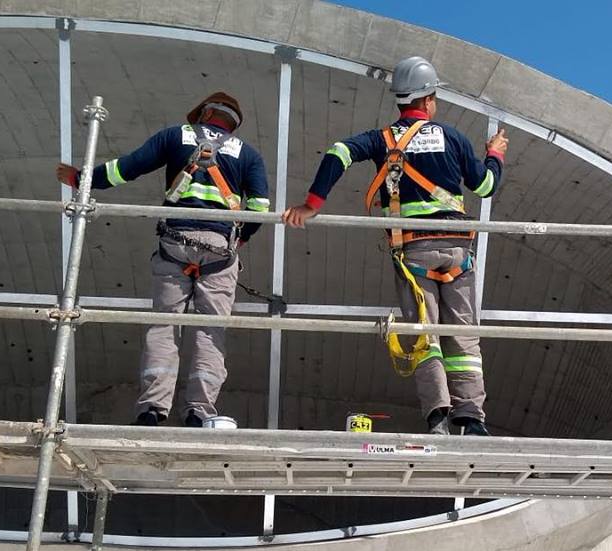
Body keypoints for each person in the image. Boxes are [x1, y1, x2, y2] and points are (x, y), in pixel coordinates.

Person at [283, 57, 508, 435]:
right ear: (430, 99)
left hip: (413, 250)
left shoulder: (382, 139)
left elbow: (339, 151)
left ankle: (438, 415)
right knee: (463, 335)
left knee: (426, 332)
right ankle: (470, 418)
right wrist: (496, 153)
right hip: (457, 249)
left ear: (401, 102)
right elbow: (485, 186)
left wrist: (312, 204)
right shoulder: (452, 137)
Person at [56, 92, 270, 427]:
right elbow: (259, 209)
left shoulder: (176, 136)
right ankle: (199, 412)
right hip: (219, 250)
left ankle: (152, 410)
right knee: (209, 332)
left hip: (174, 245)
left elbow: (125, 169)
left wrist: (81, 180)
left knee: (164, 326)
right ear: (232, 125)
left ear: (206, 113)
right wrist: (242, 237)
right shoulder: (248, 154)